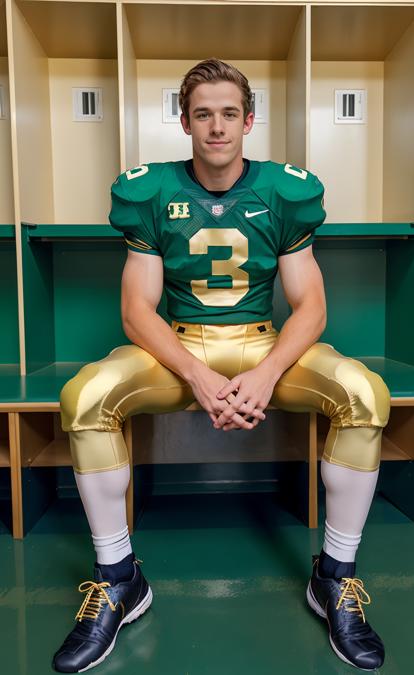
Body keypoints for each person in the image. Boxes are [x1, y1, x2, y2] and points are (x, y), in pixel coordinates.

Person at [53, 59, 391, 673]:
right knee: (85, 395)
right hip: (177, 346)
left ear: (248, 120)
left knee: (363, 391)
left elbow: (311, 307)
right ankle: (119, 578)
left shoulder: (284, 190)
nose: (217, 127)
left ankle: (335, 578)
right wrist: (196, 374)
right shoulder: (150, 190)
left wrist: (263, 375)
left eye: (228, 114)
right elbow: (137, 311)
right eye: (203, 114)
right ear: (184, 122)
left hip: (266, 344)